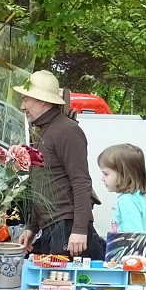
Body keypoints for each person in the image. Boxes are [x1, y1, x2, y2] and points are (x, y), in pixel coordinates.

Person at [15, 70, 103, 258]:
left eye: (25, 99)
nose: (23, 106)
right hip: (54, 226)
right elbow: (42, 184)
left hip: (67, 226)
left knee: (66, 286)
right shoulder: (44, 130)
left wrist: (79, 229)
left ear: (42, 100)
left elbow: (81, 181)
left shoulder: (66, 130)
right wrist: (32, 226)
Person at [98, 144, 146, 233]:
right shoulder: (140, 197)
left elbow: (133, 237)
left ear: (124, 174)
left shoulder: (126, 200)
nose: (102, 178)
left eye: (106, 174)